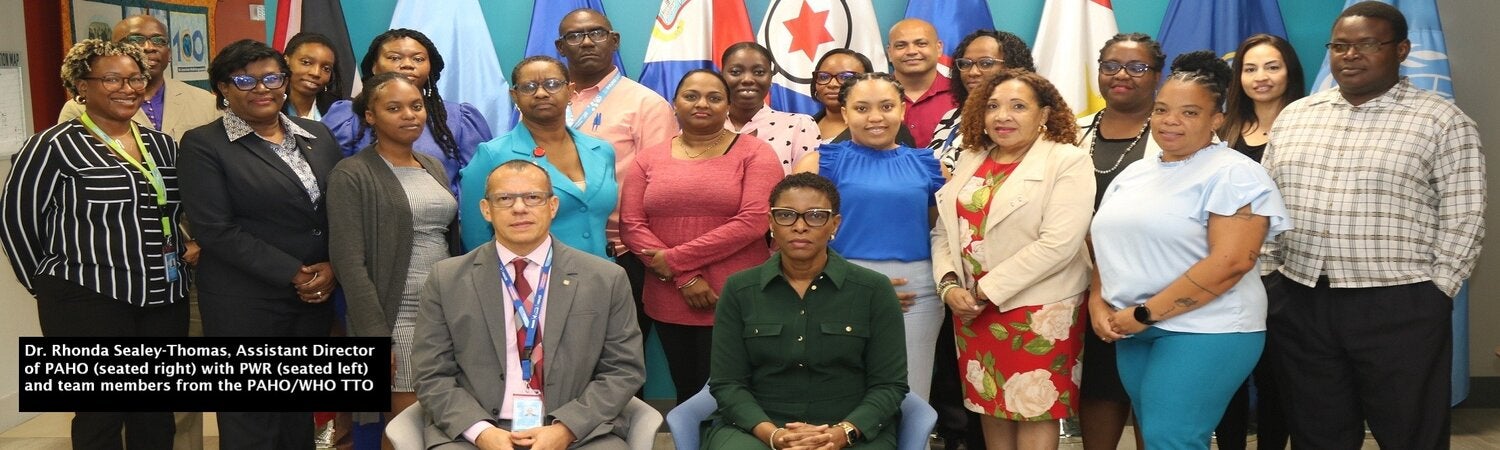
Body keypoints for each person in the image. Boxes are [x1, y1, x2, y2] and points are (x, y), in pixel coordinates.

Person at [1262, 2, 1484, 448]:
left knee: (1410, 433)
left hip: (1400, 306)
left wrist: (1437, 290)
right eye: (1340, 45)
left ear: (1401, 49)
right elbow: (1266, 203)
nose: (1350, 55)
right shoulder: (1296, 116)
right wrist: (1269, 277)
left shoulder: (1442, 120)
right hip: (1302, 299)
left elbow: (1465, 215)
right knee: (1316, 431)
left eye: (1367, 44)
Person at [1090, 51, 1290, 449]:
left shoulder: (1234, 173)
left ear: (1217, 119)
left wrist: (1146, 313)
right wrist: (1099, 300)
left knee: (1172, 438)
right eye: (1162, 109)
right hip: (1132, 329)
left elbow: (1232, 262)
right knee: (1157, 438)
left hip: (1207, 330)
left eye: (1189, 113)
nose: (1170, 121)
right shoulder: (1137, 171)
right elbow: (1107, 242)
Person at [1, 39, 187, 450]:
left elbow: (172, 213)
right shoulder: (50, 145)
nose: (128, 88)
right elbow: (16, 220)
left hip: (162, 295)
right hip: (86, 297)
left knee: (156, 412)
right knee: (100, 413)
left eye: (136, 78)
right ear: (81, 86)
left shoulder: (161, 145)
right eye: (112, 79)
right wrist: (48, 286)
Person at [177, 39, 342, 450]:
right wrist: (296, 272)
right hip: (245, 302)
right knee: (251, 423)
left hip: (311, 302)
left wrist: (332, 265)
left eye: (271, 77)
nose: (262, 88)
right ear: (222, 88)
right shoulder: (204, 144)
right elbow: (215, 229)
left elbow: (339, 209)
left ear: (285, 81)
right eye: (244, 80)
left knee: (296, 420)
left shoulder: (318, 135)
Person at [412, 160, 645, 449]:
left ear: (553, 206)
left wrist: (567, 428)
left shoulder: (605, 279)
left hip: (579, 431)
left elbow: (623, 369)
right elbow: (431, 374)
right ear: (486, 209)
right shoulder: (446, 279)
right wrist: (481, 432)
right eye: (505, 199)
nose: (519, 208)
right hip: (478, 431)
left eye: (533, 197)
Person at [930, 69, 1092, 449]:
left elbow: (1060, 243)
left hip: (1039, 309)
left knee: (1034, 407)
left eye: (1018, 106)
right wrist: (949, 285)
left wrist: (985, 290)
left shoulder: (1066, 160)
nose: (1002, 116)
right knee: (990, 404)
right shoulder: (971, 158)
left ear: (1044, 114)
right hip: (971, 310)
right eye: (993, 106)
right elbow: (945, 231)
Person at [707, 172, 908, 450]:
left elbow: (889, 385)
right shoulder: (740, 289)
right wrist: (773, 436)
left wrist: (842, 433)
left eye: (815, 216)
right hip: (759, 426)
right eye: (787, 215)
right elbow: (727, 383)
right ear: (771, 223)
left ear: (834, 224)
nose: (800, 227)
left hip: (848, 426)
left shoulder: (873, 289)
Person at [619, 70, 782, 403]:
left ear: (728, 105)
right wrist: (685, 278)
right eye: (691, 96)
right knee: (687, 392)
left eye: (714, 97)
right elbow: (631, 225)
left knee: (733, 396)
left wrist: (675, 261)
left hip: (735, 296)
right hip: (669, 295)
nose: (702, 104)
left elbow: (754, 221)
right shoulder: (648, 158)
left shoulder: (755, 153)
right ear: (675, 104)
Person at [793, 73, 945, 402]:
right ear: (845, 113)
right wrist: (855, 287)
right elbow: (797, 237)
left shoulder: (930, 166)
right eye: (862, 108)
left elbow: (941, 234)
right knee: (842, 395)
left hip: (916, 295)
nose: (875, 117)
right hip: (838, 289)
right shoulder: (819, 162)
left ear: (903, 110)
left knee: (910, 395)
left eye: (887, 106)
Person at [327, 72, 460, 442]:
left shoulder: (432, 166)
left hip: (444, 311)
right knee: (406, 430)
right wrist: (374, 337)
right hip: (394, 314)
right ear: (370, 115)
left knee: (440, 425)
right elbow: (348, 262)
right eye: (394, 108)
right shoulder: (352, 173)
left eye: (416, 106)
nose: (409, 115)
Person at [553, 7, 678, 343]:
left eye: (596, 33)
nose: (587, 42)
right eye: (575, 36)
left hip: (621, 254)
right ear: (560, 48)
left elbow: (660, 189)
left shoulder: (646, 105)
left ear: (615, 41)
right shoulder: (546, 101)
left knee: (619, 363)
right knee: (558, 358)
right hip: (552, 249)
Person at [1211, 32, 1305, 450]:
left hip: (1283, 273)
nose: (1260, 77)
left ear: (1290, 72)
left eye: (1272, 66)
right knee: (1227, 375)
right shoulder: (1225, 127)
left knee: (1276, 378)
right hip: (1228, 270)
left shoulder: (1308, 123)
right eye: (1250, 68)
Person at [1074, 32, 1164, 450]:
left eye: (1137, 66)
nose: (1121, 75)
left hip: (1149, 287)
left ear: (1158, 75)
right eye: (1110, 66)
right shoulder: (1071, 131)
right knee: (1098, 391)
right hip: (1078, 286)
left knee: (1152, 399)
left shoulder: (1174, 134)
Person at [461, 56, 617, 258]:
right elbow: (476, 236)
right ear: (514, 96)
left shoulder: (601, 151)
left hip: (601, 276)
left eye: (552, 84)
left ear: (570, 91)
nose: (541, 93)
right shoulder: (492, 155)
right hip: (529, 282)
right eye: (529, 87)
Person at [323, 28, 493, 195]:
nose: (407, 65)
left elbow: (477, 185)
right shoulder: (348, 115)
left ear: (430, 67)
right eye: (395, 58)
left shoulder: (460, 118)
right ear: (374, 67)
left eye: (418, 59)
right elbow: (328, 178)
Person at [57, 15, 218, 140]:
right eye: (136, 40)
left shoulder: (206, 102)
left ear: (169, 53)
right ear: (113, 50)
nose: (149, 47)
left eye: (159, 41)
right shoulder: (79, 109)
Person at [928, 29, 1036, 173]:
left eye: (986, 63)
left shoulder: (1014, 122)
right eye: (966, 64)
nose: (972, 72)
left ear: (1012, 67)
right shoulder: (952, 117)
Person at [720, 42, 821, 173]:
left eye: (759, 72)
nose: (747, 79)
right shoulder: (702, 127)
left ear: (770, 77)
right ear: (721, 76)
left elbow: (808, 187)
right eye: (736, 72)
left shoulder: (800, 125)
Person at [810, 49, 916, 146]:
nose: (832, 84)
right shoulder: (803, 124)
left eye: (846, 77)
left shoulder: (893, 129)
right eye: (823, 77)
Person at [885, 19, 953, 148]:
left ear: (939, 48)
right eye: (901, 45)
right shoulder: (872, 96)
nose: (911, 51)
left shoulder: (962, 96)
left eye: (921, 44)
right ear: (889, 52)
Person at [281, 32, 345, 120]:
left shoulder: (338, 111)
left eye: (326, 68)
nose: (316, 73)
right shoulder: (269, 105)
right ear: (286, 60)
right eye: (306, 62)